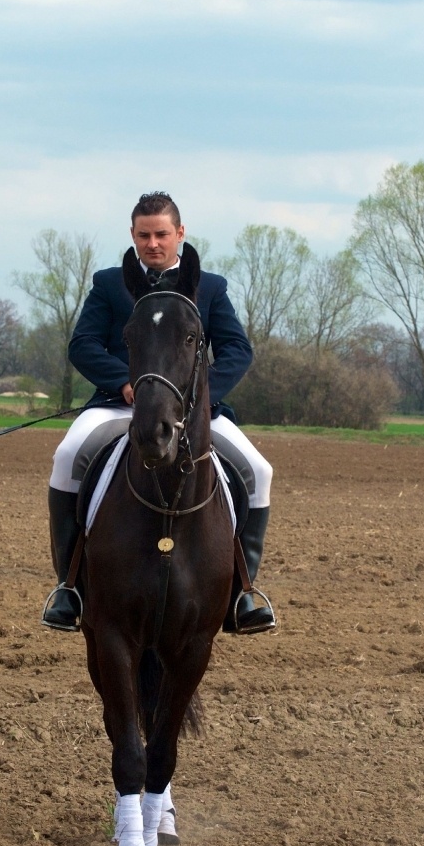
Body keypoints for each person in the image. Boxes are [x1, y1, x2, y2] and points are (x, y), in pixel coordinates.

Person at [43, 191, 274, 633]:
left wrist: (200, 399)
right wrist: (124, 382)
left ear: (180, 234)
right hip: (120, 405)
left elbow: (237, 350)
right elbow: (83, 344)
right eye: (144, 235)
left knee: (259, 471)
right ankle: (68, 588)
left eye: (162, 234)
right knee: (67, 456)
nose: (153, 243)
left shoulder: (210, 288)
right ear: (132, 235)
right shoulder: (110, 284)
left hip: (193, 412)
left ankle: (243, 592)